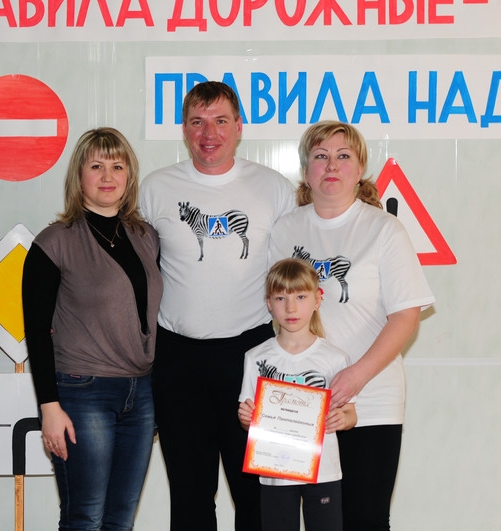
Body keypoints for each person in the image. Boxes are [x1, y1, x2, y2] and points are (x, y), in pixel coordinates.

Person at [139, 81, 296, 531]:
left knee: (257, 494)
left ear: (239, 127)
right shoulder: (156, 188)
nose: (209, 134)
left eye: (221, 121)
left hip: (252, 356)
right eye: (198, 122)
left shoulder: (274, 188)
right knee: (189, 496)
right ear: (184, 129)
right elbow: (134, 271)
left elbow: (295, 277)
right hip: (177, 360)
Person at [269, 120, 436, 531]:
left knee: (365, 518)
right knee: (306, 521)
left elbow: (406, 315)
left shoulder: (384, 229)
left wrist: (355, 377)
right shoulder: (286, 230)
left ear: (360, 169)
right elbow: (275, 313)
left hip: (371, 401)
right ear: (306, 171)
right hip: (302, 402)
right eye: (320, 156)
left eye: (343, 156)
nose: (331, 165)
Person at [22, 127, 163, 531]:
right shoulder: (54, 242)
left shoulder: (146, 237)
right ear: (78, 176)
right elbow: (36, 330)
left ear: (129, 176)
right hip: (83, 393)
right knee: (85, 517)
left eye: (117, 166)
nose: (107, 176)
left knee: (120, 519)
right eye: (96, 166)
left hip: (141, 395)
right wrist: (49, 407)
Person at [238, 258, 357, 531]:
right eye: (281, 298)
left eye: (300, 297)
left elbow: (351, 413)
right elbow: (249, 421)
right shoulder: (255, 357)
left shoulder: (335, 358)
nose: (291, 308)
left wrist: (342, 419)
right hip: (275, 473)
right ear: (269, 303)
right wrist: (246, 418)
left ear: (317, 300)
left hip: (323, 472)